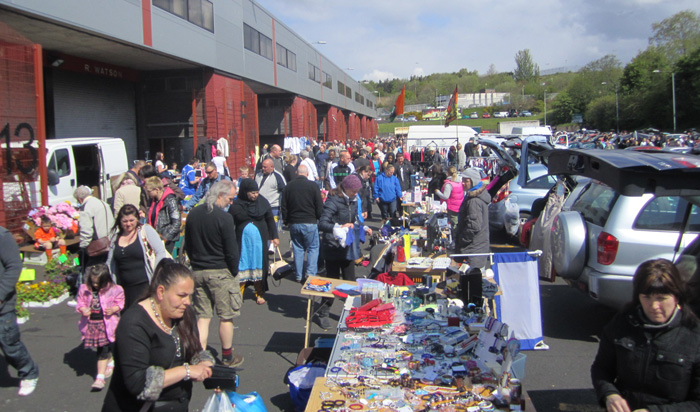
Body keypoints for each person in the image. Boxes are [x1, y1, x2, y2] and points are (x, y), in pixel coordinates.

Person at [101, 260, 215, 412]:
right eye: (181, 295)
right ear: (161, 292)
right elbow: (138, 383)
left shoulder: (184, 314)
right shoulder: (134, 323)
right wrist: (186, 371)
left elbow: (195, 351)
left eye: (189, 295)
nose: (187, 302)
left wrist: (205, 366)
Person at [591, 259, 700, 412]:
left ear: (677, 296)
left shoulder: (694, 336)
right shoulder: (621, 324)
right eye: (646, 297)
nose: (654, 306)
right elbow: (601, 368)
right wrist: (610, 394)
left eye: (662, 298)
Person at [184, 180, 244, 367]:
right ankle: (227, 356)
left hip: (198, 271)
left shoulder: (193, 214)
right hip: (220, 271)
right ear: (220, 195)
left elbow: (188, 244)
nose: (230, 202)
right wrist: (234, 271)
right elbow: (231, 250)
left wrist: (195, 264)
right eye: (229, 199)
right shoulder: (224, 218)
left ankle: (200, 356)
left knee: (203, 316)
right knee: (226, 316)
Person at [317, 175, 371, 329]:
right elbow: (323, 223)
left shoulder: (353, 200)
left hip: (347, 246)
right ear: (346, 188)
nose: (356, 194)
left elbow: (354, 219)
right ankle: (323, 312)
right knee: (332, 281)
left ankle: (352, 313)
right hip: (333, 246)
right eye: (354, 191)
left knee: (350, 281)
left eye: (357, 191)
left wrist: (363, 226)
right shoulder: (333, 200)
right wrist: (338, 227)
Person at [106, 204, 170, 309]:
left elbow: (160, 252)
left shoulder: (145, 231)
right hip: (123, 290)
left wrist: (155, 276)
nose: (128, 224)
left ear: (137, 219)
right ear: (120, 222)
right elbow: (109, 261)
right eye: (125, 221)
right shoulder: (115, 237)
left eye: (131, 220)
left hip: (144, 286)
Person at [0, 225, 39, 396]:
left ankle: (29, 372)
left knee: (9, 343)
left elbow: (14, 266)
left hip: (2, 305)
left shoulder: (2, 236)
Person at [229, 179, 279, 304]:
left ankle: (259, 293)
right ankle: (238, 294)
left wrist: (274, 236)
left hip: (259, 242)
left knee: (259, 265)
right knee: (242, 265)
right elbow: (229, 222)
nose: (255, 195)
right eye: (252, 193)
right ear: (245, 192)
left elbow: (270, 220)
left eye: (256, 192)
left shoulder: (262, 203)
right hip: (242, 243)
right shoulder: (237, 205)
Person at [76, 264, 125, 391]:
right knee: (101, 348)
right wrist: (82, 309)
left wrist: (114, 308)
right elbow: (80, 302)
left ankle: (100, 377)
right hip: (92, 324)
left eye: (98, 283)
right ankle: (109, 359)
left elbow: (120, 302)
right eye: (93, 282)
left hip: (107, 324)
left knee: (102, 350)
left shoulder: (115, 289)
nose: (95, 285)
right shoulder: (84, 288)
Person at [281, 165, 323, 283]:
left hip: (294, 222)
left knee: (298, 248)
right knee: (313, 248)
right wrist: (319, 218)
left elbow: (283, 206)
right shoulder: (313, 186)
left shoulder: (289, 186)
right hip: (310, 221)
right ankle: (310, 274)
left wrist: (286, 220)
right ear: (307, 173)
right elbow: (319, 205)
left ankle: (298, 275)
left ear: (296, 173)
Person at [455, 169, 490, 270]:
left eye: (466, 181)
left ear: (473, 182)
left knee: (471, 282)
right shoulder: (473, 196)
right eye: (462, 180)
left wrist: (462, 240)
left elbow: (473, 226)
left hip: (473, 252)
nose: (463, 183)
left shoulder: (474, 201)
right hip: (477, 249)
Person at [75, 185, 115, 268]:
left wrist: (83, 247)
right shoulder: (102, 202)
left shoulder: (86, 207)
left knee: (93, 270)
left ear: (79, 199)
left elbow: (86, 230)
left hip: (98, 245)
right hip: (110, 239)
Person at [144, 176, 181, 253]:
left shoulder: (170, 200)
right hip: (155, 237)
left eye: (149, 191)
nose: (147, 193)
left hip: (167, 239)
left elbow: (176, 222)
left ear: (157, 190)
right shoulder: (152, 200)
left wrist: (165, 237)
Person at [255, 158, 286, 228]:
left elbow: (284, 191)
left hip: (273, 207)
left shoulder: (278, 176)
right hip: (259, 206)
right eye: (262, 166)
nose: (263, 168)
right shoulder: (258, 174)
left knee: (273, 229)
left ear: (272, 167)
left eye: (265, 167)